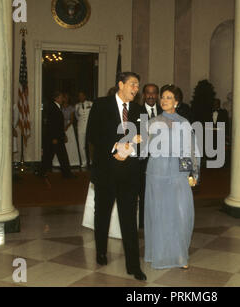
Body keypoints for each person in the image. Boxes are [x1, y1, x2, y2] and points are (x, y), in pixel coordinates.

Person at [87, 72, 146, 281]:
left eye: (138, 85)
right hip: (106, 171)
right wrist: (116, 147)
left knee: (129, 219)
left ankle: (133, 265)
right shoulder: (101, 105)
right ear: (120, 84)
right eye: (133, 84)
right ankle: (101, 251)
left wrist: (135, 144)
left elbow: (144, 140)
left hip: (129, 174)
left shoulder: (139, 110)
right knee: (102, 214)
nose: (136, 89)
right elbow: (93, 136)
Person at [144, 84, 200, 270]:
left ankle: (179, 255)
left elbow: (190, 149)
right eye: (163, 97)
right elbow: (145, 148)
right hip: (157, 172)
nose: (164, 100)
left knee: (181, 214)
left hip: (177, 173)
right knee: (159, 214)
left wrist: (193, 173)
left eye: (169, 97)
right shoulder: (152, 122)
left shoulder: (183, 122)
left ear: (177, 101)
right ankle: (159, 254)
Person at [138, 83, 162, 229]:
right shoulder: (136, 112)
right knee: (143, 193)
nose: (151, 96)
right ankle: (143, 222)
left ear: (157, 95)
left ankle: (159, 221)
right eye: (148, 93)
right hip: (142, 162)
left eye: (154, 93)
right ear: (144, 95)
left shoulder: (164, 112)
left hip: (161, 161)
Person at [39, 91, 74, 178]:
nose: (63, 99)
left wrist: (63, 135)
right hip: (55, 137)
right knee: (59, 156)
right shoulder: (53, 108)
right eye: (61, 97)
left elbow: (58, 125)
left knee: (50, 155)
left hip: (57, 136)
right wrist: (54, 138)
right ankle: (67, 174)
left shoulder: (56, 107)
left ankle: (42, 172)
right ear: (56, 98)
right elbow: (52, 125)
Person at [54, 93, 80, 167]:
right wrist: (62, 127)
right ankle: (58, 162)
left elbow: (72, 120)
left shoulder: (71, 108)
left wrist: (66, 127)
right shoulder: (60, 107)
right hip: (61, 126)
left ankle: (73, 162)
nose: (66, 99)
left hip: (69, 126)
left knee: (70, 144)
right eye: (65, 98)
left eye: (67, 98)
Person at [75, 91, 93, 168]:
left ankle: (92, 161)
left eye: (82, 95)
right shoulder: (77, 106)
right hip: (80, 127)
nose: (81, 97)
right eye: (79, 96)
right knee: (81, 145)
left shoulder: (90, 103)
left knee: (91, 144)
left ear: (85, 96)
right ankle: (84, 162)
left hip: (89, 127)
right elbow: (77, 117)